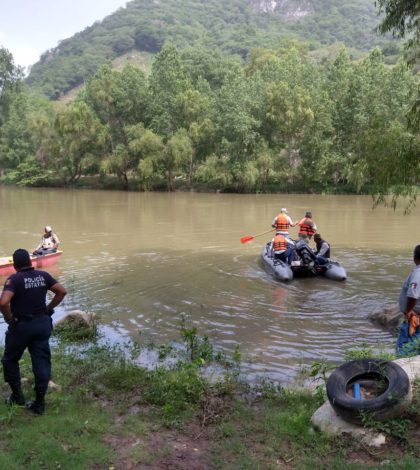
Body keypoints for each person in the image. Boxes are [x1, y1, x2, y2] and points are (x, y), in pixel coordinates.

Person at [0, 249, 67, 414]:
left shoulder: (14, 279)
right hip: (42, 325)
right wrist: (48, 309)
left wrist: (10, 320)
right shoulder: (43, 276)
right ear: (30, 263)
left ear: (15, 265)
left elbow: (3, 303)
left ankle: (17, 397)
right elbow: (62, 291)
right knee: (41, 362)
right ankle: (39, 403)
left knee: (10, 360)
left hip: (22, 327)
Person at [396, 245, 420, 357]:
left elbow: (413, 295)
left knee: (404, 351)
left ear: (415, 257)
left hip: (414, 318)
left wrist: (409, 311)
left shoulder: (417, 273)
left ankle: (402, 373)